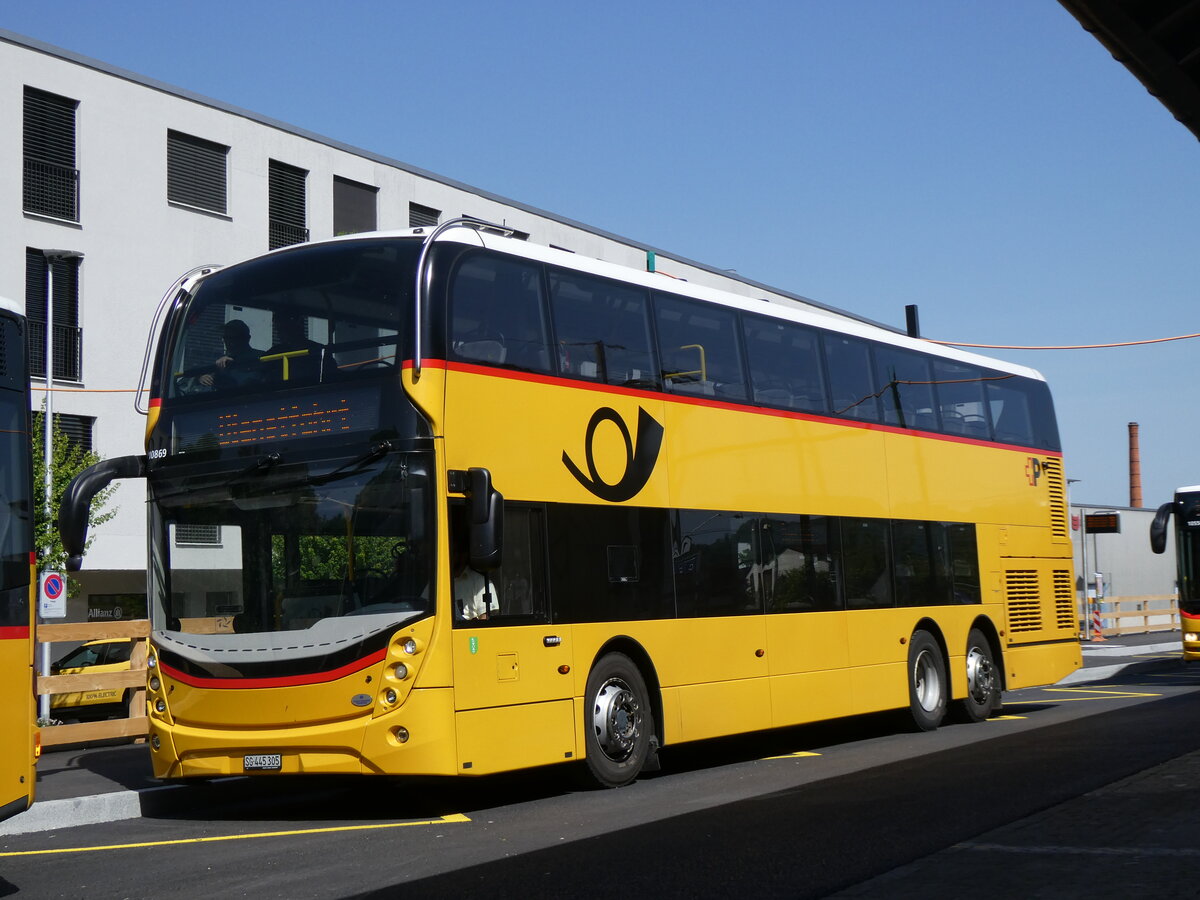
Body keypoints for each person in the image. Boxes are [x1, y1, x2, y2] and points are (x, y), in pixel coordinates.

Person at [199, 319, 266, 388]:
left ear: (247, 338)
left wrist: (234, 361)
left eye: (233, 338)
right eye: (226, 338)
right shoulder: (222, 362)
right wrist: (204, 378)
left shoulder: (262, 357)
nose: (228, 342)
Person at [264, 314, 324, 383]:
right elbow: (262, 373)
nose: (279, 334)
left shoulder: (317, 350)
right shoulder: (274, 352)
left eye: (284, 329)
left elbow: (329, 377)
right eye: (278, 329)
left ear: (298, 326)